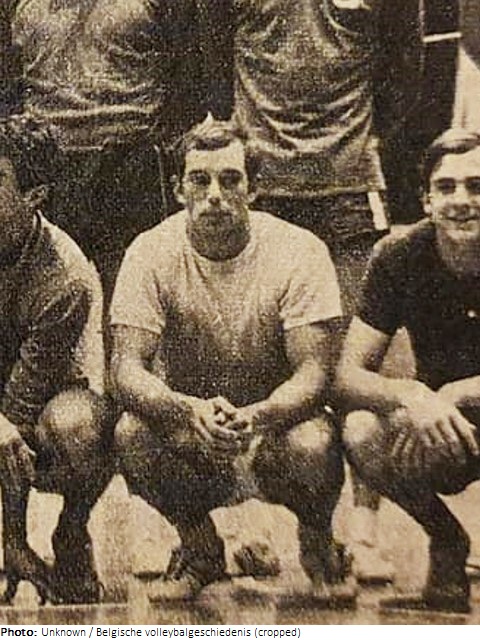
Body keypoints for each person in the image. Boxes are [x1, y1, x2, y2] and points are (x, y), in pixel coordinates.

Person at [110, 117, 352, 604]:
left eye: (230, 179)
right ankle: (199, 548)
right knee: (131, 433)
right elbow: (126, 369)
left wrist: (259, 416)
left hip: (278, 426)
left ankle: (318, 539)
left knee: (315, 442)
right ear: (179, 189)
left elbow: (315, 372)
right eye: (200, 180)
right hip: (194, 427)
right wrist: (187, 409)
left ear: (253, 188)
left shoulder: (300, 250)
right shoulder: (149, 251)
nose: (215, 195)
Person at [231, 0, 422, 582]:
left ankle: (364, 531)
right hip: (263, 184)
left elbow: (403, 76)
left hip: (348, 186)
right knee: (255, 357)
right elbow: (207, 63)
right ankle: (256, 524)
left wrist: (350, 140)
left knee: (364, 363)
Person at [11, 0, 232, 352]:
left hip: (129, 167)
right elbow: (8, 83)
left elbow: (192, 84)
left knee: (134, 307)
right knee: (50, 305)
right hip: (49, 170)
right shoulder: (18, 5)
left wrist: (148, 144)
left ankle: (133, 384)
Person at [336, 128, 480, 613]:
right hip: (445, 429)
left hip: (455, 407)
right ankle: (447, 541)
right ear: (426, 200)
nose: (462, 200)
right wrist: (410, 395)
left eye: (476, 186)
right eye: (446, 187)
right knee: (362, 430)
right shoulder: (400, 256)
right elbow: (348, 374)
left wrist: (459, 392)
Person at [0, 115, 113, 605]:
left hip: (40, 401)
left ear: (35, 196)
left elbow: (18, 412)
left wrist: (12, 537)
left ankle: (72, 528)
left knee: (80, 428)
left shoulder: (65, 278)